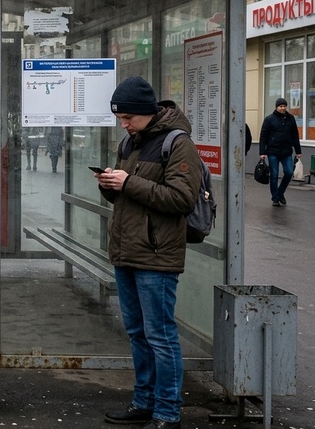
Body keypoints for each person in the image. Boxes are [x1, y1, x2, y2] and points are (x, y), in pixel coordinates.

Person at [95, 76, 201, 429]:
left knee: (160, 334)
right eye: (120, 118)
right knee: (137, 332)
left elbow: (181, 199)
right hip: (126, 250)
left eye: (128, 117)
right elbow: (127, 196)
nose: (123, 124)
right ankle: (144, 401)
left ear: (146, 112)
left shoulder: (178, 143)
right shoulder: (130, 142)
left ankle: (168, 412)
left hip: (157, 254)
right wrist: (111, 185)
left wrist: (128, 182)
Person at [259, 98, 302, 207]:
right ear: (276, 107)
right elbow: (263, 136)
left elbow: (295, 136)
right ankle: (275, 198)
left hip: (287, 152)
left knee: (288, 172)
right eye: (280, 106)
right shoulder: (269, 119)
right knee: (274, 175)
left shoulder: (290, 119)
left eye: (284, 106)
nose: (283, 108)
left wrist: (298, 151)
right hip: (273, 151)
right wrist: (262, 152)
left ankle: (280, 193)